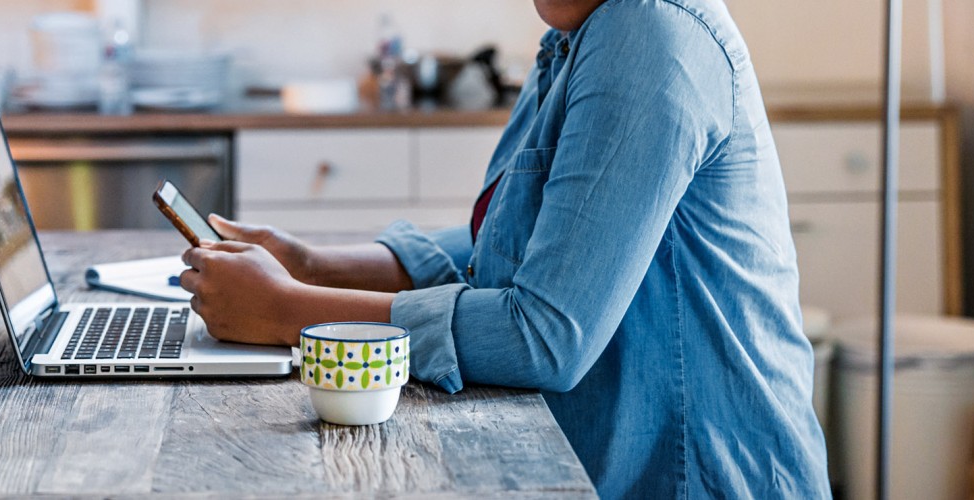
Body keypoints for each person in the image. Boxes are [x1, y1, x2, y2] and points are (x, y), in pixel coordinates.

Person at [177, 0, 830, 497]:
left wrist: (291, 310)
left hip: (696, 475)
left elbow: (545, 335)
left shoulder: (649, 38)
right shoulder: (579, 36)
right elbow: (522, 241)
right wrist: (315, 266)